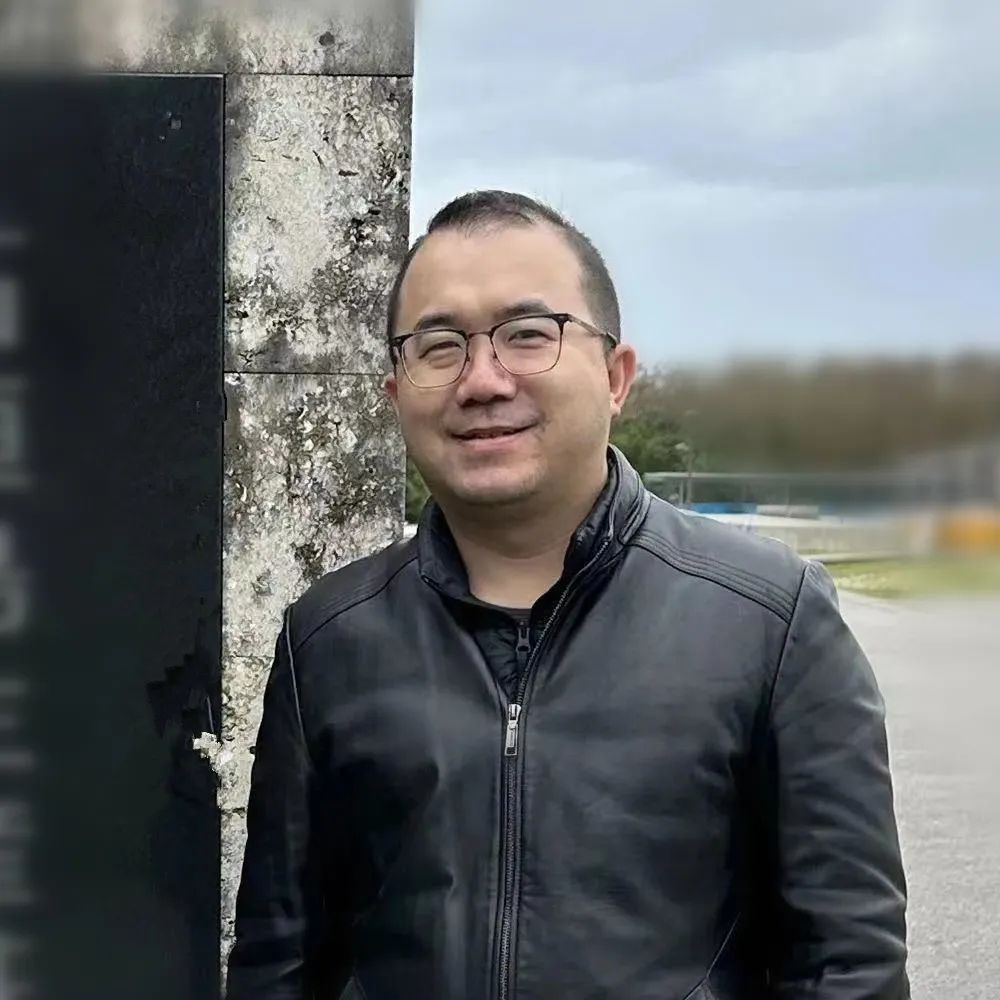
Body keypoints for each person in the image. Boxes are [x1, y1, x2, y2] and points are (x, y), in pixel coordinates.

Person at [226, 191, 909, 999]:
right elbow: (279, 963)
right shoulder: (329, 639)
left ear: (616, 377)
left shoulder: (771, 620)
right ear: (395, 392)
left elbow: (847, 965)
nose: (482, 380)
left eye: (527, 334)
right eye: (439, 346)